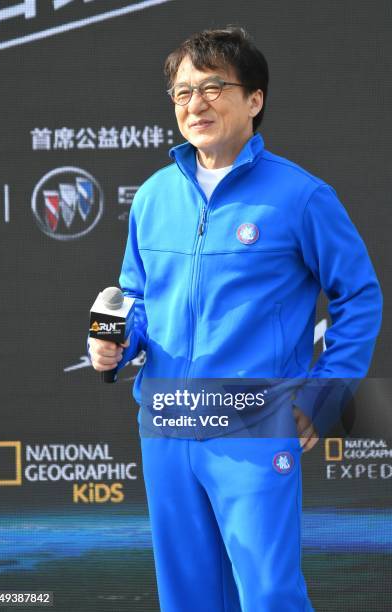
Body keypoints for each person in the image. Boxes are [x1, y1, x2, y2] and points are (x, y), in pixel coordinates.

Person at [89, 26, 382, 612]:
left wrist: (324, 397)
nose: (194, 104)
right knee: (189, 598)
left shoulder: (301, 196)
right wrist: (114, 342)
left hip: (254, 426)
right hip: (167, 425)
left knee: (269, 594)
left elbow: (360, 296)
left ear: (255, 99)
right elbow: (134, 297)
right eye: (181, 92)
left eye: (213, 87)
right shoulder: (151, 197)